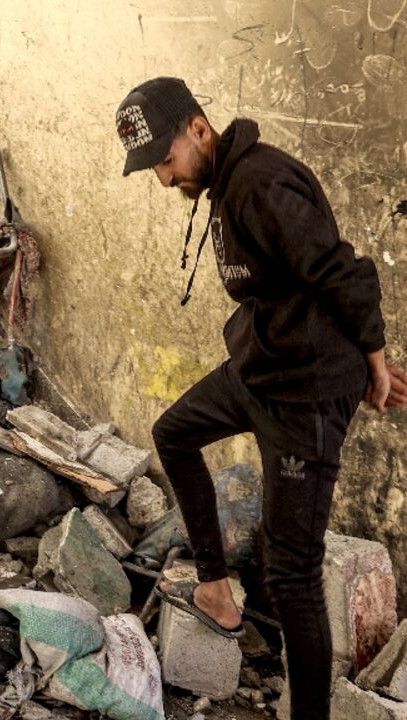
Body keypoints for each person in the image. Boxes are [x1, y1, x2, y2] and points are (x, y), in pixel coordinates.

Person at [116, 76, 407, 719]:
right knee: (173, 432)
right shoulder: (225, 187)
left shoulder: (261, 182)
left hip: (303, 396)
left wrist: (373, 365)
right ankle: (217, 589)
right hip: (258, 371)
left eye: (165, 160)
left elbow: (343, 271)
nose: (164, 180)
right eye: (154, 170)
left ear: (198, 129)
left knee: (291, 574)